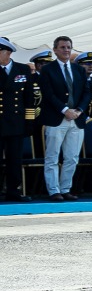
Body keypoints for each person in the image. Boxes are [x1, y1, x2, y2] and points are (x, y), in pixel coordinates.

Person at [37, 36, 92, 201]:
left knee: (72, 157)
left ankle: (65, 188)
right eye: (62, 47)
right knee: (52, 156)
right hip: (56, 118)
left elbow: (86, 92)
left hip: (76, 118)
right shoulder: (48, 69)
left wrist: (79, 110)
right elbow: (48, 94)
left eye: (69, 47)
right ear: (55, 50)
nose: (66, 50)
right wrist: (65, 109)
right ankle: (54, 190)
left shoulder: (79, 70)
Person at [0, 37, 41, 200]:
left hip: (16, 122)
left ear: (7, 52)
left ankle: (13, 191)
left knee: (14, 160)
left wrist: (29, 122)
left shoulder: (22, 69)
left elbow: (29, 98)